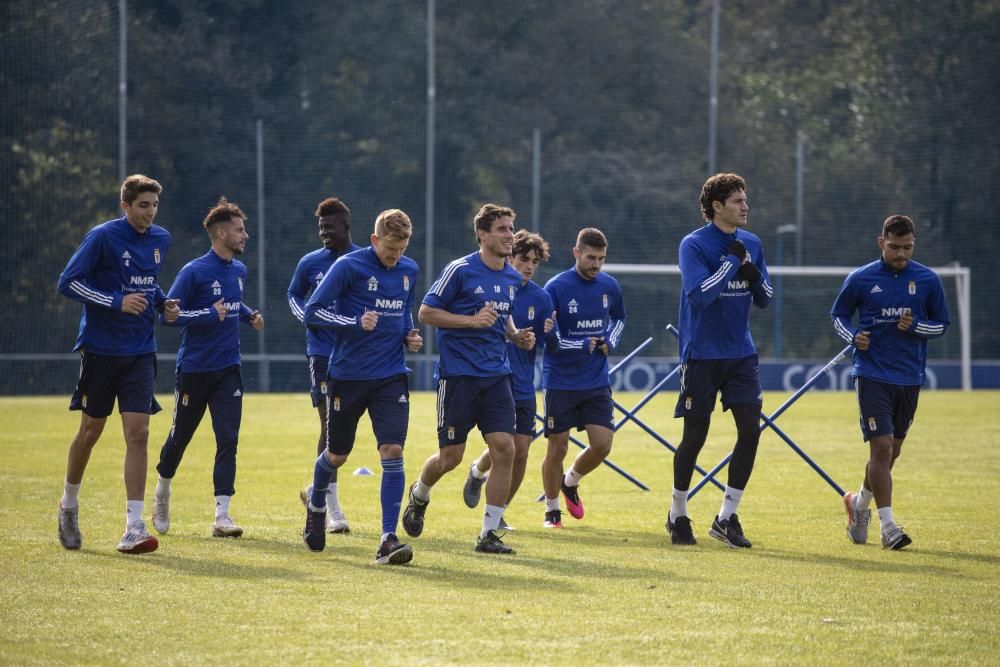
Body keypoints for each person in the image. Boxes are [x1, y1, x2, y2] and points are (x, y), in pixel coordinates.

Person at [401, 204, 534, 555]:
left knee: (505, 448)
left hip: (496, 376)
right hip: (458, 377)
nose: (510, 236)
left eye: (511, 228)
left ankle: (489, 534)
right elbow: (426, 312)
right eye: (503, 229)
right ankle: (419, 494)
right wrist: (470, 321)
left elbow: (501, 317)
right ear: (482, 235)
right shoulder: (459, 270)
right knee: (451, 458)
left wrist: (516, 335)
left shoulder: (510, 277)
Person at [56, 174, 178, 554]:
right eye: (143, 206)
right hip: (101, 350)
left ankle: (133, 525)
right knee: (90, 433)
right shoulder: (102, 237)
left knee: (138, 434)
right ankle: (68, 505)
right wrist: (114, 302)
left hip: (140, 351)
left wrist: (163, 303)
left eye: (155, 205)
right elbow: (68, 283)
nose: (150, 213)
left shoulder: (161, 239)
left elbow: (147, 282)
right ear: (125, 206)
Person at [300, 209, 422, 564]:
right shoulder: (348, 267)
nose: (394, 257)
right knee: (337, 455)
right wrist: (354, 322)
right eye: (388, 250)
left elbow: (404, 311)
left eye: (400, 250)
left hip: (390, 375)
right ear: (374, 240)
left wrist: (408, 335)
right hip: (347, 376)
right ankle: (317, 502)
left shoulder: (409, 271)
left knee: (393, 451)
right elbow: (312, 312)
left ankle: (387, 539)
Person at [832, 214, 949, 550]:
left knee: (892, 451)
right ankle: (889, 528)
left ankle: (858, 506)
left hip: (910, 376)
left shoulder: (927, 280)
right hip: (871, 373)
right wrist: (855, 336)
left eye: (908, 247)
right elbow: (838, 315)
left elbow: (941, 324)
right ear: (881, 242)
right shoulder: (861, 278)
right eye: (895, 247)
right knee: (881, 447)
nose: (901, 254)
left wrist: (916, 326)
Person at [668, 173, 772, 549]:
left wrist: (752, 273)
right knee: (695, 435)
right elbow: (698, 296)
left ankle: (727, 517)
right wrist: (731, 265)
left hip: (740, 354)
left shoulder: (753, 243)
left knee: (751, 430)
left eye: (746, 200)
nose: (746, 207)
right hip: (701, 355)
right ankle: (678, 512)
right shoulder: (693, 245)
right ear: (717, 206)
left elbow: (765, 297)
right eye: (738, 201)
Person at [150, 197, 264, 539]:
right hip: (195, 370)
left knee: (228, 438)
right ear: (220, 233)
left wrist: (249, 315)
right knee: (180, 437)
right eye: (240, 230)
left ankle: (222, 516)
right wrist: (207, 315)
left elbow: (232, 303)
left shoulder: (240, 270)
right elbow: (168, 316)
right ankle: (162, 491)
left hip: (228, 369)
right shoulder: (194, 271)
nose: (245, 235)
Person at [461, 231, 557, 529]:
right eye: (523, 259)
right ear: (510, 257)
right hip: (491, 379)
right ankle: (478, 472)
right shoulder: (494, 286)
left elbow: (546, 344)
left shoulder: (541, 298)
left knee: (522, 450)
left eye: (534, 261)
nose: (529, 266)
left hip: (523, 383)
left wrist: (547, 334)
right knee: (506, 446)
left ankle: (497, 513)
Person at [540, 228, 626, 528]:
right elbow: (549, 336)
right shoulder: (555, 287)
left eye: (601, 259)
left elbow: (619, 319)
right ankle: (551, 510)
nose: (596, 264)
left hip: (595, 381)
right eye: (591, 257)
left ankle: (570, 481)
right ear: (576, 253)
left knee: (602, 445)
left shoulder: (610, 286)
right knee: (557, 447)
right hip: (560, 380)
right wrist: (579, 343)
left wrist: (610, 341)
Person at [288, 197, 360, 534]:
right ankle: (331, 509)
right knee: (330, 427)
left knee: (350, 432)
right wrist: (307, 316)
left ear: (346, 227)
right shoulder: (310, 263)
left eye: (329, 227)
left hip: (360, 356)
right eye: (320, 227)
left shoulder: (364, 260)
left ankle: (313, 490)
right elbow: (294, 295)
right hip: (322, 354)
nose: (323, 233)